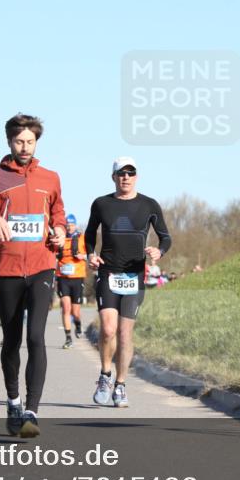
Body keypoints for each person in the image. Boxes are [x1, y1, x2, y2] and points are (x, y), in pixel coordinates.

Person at [0, 113, 66, 438]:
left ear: (37, 143)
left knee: (36, 337)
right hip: (7, 269)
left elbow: (59, 213)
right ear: (9, 141)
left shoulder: (50, 178)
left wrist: (61, 231)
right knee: (12, 340)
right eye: (19, 141)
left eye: (30, 142)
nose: (25, 147)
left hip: (42, 266)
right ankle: (13, 400)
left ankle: (31, 411)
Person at [86, 156, 172, 408]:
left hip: (134, 276)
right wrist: (91, 255)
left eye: (130, 173)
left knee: (124, 334)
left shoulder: (149, 205)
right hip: (108, 274)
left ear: (137, 176)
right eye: (121, 173)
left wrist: (159, 251)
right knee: (108, 329)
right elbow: (90, 234)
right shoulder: (101, 204)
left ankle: (121, 385)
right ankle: (105, 376)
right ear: (113, 177)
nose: (126, 177)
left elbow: (165, 237)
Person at [56, 213, 87, 349]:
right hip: (63, 278)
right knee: (66, 308)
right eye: (67, 225)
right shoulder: (59, 239)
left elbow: (91, 255)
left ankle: (78, 325)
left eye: (71, 225)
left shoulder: (82, 239)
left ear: (75, 225)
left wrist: (83, 256)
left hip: (77, 277)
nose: (69, 228)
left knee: (76, 312)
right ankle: (68, 338)